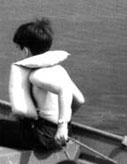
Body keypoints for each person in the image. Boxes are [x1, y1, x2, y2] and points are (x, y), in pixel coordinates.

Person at [8, 18, 85, 151]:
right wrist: (64, 122)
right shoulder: (59, 70)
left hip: (45, 137)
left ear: (25, 51)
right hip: (63, 133)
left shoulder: (36, 75)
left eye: (18, 49)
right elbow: (80, 100)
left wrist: (61, 127)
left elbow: (64, 90)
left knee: (0, 128)